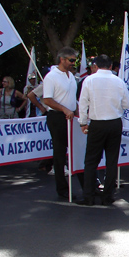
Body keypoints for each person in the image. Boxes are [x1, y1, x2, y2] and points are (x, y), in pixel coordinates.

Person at [77, 55, 129, 206]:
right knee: (112, 161)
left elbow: (83, 103)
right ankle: (107, 196)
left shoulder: (89, 80)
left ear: (96, 65)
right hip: (114, 123)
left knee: (91, 160)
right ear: (111, 66)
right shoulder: (119, 81)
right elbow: (126, 104)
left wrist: (82, 122)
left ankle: (89, 196)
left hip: (97, 123)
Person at [43, 47, 83, 199]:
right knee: (59, 153)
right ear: (62, 59)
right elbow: (47, 99)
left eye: (74, 60)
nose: (74, 63)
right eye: (71, 60)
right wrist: (65, 109)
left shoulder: (71, 76)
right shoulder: (51, 77)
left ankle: (85, 184)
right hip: (57, 117)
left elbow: (72, 97)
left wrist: (78, 110)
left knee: (76, 150)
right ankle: (62, 188)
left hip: (71, 115)